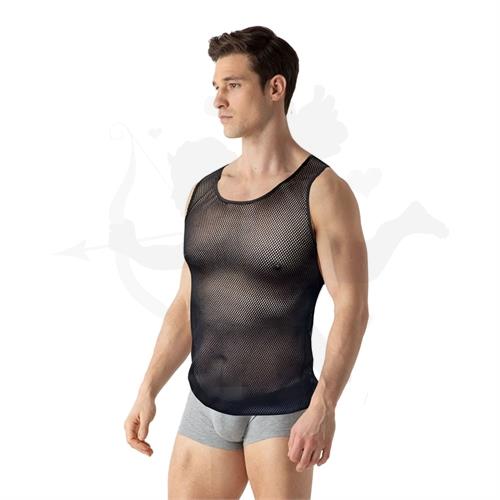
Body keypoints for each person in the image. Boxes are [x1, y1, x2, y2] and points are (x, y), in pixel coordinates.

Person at [124, 26, 369, 499]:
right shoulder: (202, 193)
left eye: (233, 85)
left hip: (282, 411)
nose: (218, 100)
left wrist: (324, 405)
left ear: (275, 88)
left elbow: (352, 309)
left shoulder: (322, 192)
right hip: (205, 405)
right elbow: (186, 305)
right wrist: (148, 388)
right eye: (216, 87)